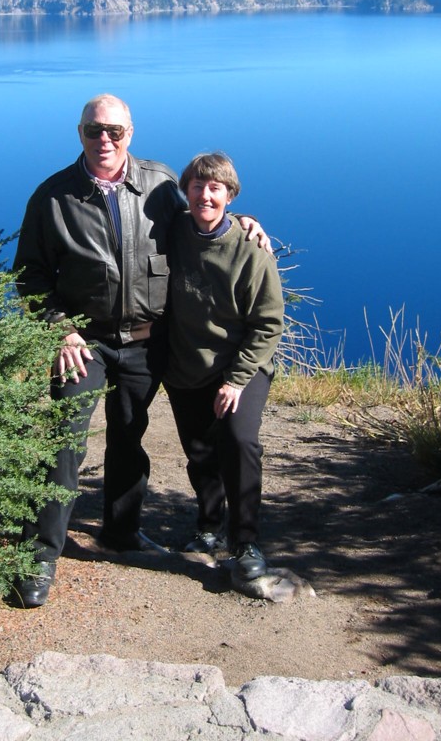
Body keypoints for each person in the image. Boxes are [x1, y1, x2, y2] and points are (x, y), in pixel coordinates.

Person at [9, 96, 268, 608]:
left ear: (131, 133)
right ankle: (40, 555)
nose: (104, 140)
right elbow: (31, 274)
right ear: (79, 133)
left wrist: (246, 221)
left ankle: (121, 531)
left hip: (147, 341)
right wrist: (59, 326)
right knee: (65, 441)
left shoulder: (160, 184)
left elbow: (202, 218)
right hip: (83, 343)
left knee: (129, 435)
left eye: (114, 131)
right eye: (92, 130)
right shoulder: (54, 197)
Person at [163, 152, 284, 593]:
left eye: (215, 188)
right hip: (185, 364)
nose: (205, 195)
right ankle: (209, 524)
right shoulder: (174, 230)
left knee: (238, 440)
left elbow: (269, 322)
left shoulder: (251, 250)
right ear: (186, 191)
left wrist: (236, 380)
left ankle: (246, 541)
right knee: (199, 451)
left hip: (241, 366)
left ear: (230, 195)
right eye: (197, 186)